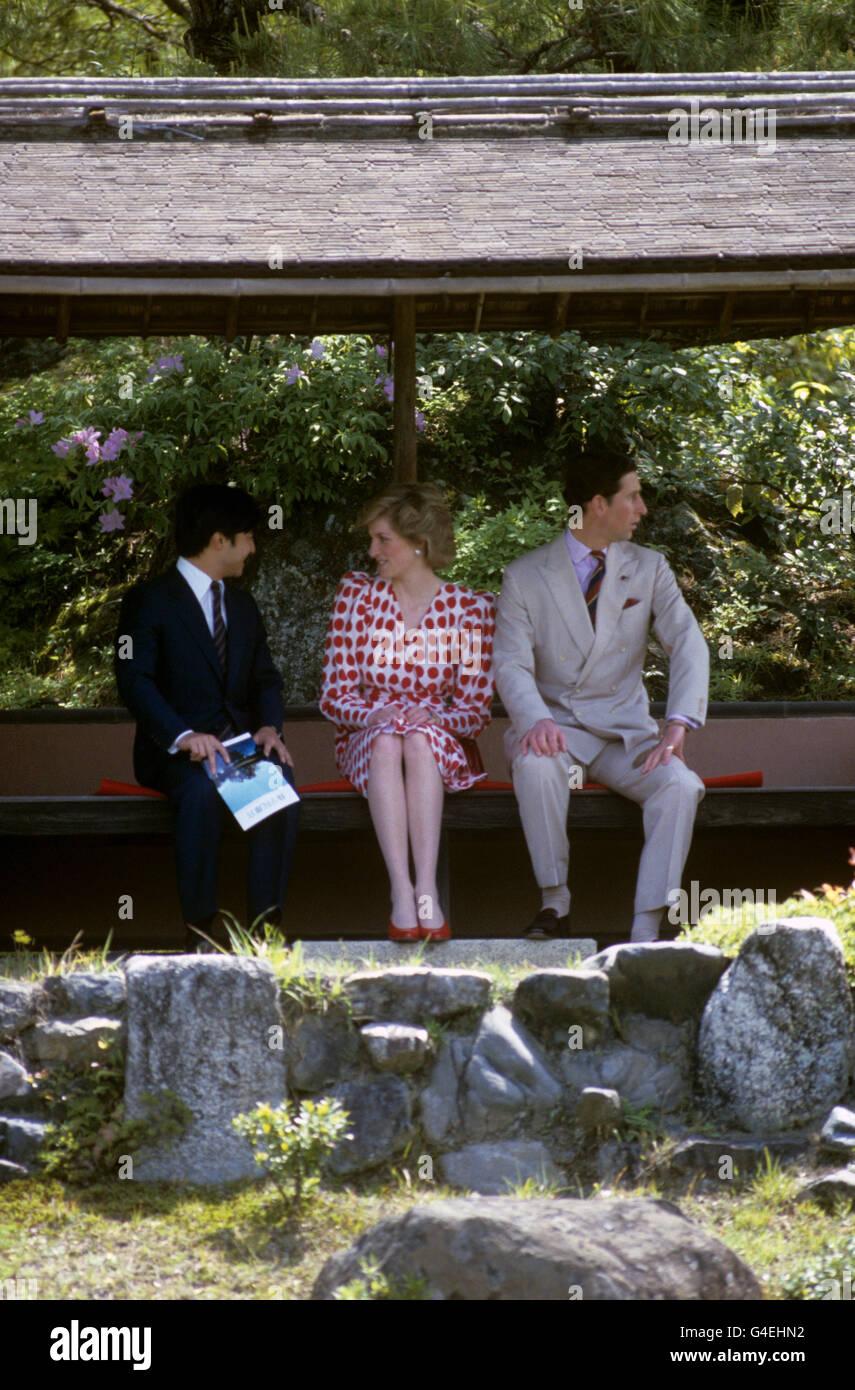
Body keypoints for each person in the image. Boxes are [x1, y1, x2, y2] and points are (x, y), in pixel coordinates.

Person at [492, 446, 709, 943]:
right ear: (597, 504)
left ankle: (645, 929)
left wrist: (678, 723)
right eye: (632, 496)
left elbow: (688, 642)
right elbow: (510, 662)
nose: (642, 508)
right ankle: (554, 902)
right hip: (558, 732)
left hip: (623, 736)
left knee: (680, 786)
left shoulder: (650, 568)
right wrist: (535, 721)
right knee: (536, 763)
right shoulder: (525, 575)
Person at [114, 483, 300, 950]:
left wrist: (270, 728)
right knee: (199, 792)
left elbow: (266, 680)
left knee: (279, 785)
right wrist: (184, 736)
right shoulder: (150, 600)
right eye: (249, 537)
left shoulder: (241, 604)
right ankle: (200, 932)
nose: (253, 548)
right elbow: (135, 680)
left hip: (238, 750)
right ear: (220, 540)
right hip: (173, 753)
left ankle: (264, 933)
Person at [319, 482, 495, 941]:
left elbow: (474, 710)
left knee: (415, 739)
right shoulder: (356, 597)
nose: (373, 550)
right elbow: (335, 695)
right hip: (366, 737)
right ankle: (401, 890)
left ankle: (425, 891)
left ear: (419, 543)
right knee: (387, 738)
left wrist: (436, 719)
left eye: (383, 540)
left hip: (436, 739)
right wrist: (373, 716)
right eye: (372, 539)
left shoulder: (470, 610)